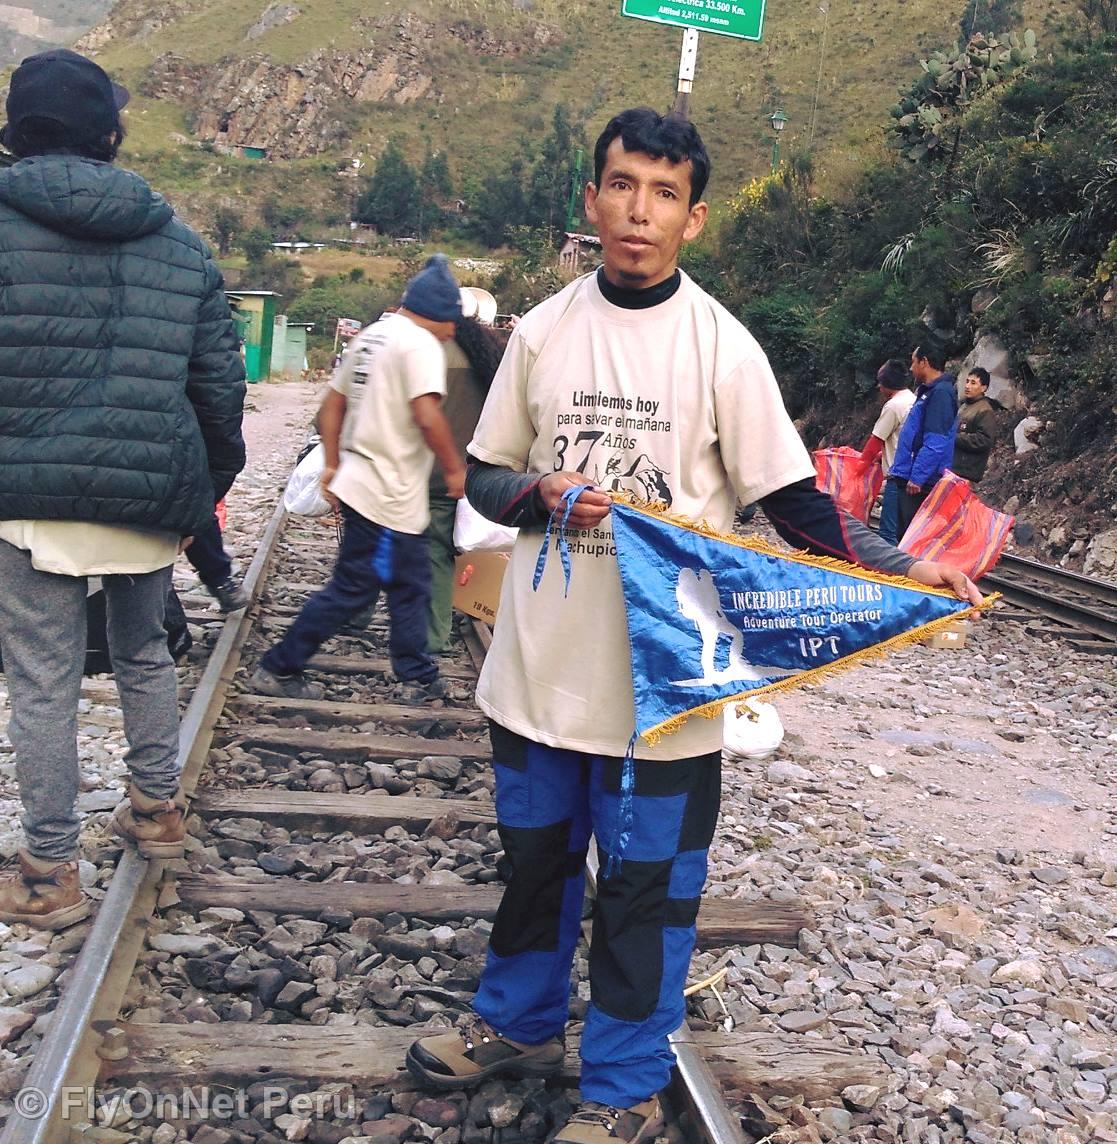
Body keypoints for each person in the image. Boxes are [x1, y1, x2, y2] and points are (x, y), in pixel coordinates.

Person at [405, 108, 980, 1144]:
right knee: (533, 869)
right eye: (621, 185)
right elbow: (485, 479)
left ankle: (619, 1088)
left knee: (644, 894)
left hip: (664, 697)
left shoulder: (722, 347)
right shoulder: (541, 331)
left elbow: (797, 503)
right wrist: (538, 488)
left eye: (662, 193)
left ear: (693, 217)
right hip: (535, 676)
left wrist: (900, 567)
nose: (638, 210)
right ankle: (517, 1023)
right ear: (591, 200)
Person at [0, 49, 246, 929]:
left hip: (23, 500)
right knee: (144, 652)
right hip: (148, 495)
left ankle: (50, 868)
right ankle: (155, 809)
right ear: (108, 135)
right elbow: (220, 384)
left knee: (43, 678)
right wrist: (201, 491)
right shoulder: (177, 241)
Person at [252, 255, 466, 703]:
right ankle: (279, 666)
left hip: (370, 486)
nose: (453, 332)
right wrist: (453, 468)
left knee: (410, 585)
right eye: (452, 323)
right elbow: (426, 415)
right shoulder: (421, 345)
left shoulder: (373, 336)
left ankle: (418, 676)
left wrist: (332, 463)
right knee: (354, 589)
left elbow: (331, 406)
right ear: (441, 314)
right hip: (385, 496)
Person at [426, 310, 504, 653]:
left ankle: (430, 638)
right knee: (438, 556)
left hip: (421, 473)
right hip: (462, 474)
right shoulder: (485, 356)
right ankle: (434, 634)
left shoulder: (427, 355)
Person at [889, 342, 958, 542]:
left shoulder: (941, 394)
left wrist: (918, 476)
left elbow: (936, 441)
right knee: (904, 537)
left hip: (921, 483)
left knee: (912, 541)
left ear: (924, 362)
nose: (911, 368)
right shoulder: (929, 392)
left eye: (913, 362)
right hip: (911, 475)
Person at [859, 359, 916, 544]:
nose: (879, 387)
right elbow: (899, 438)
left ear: (887, 385)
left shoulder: (893, 406)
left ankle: (887, 571)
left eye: (880, 383)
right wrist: (880, 456)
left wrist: (858, 468)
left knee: (888, 533)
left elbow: (876, 440)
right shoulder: (913, 400)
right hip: (912, 474)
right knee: (903, 531)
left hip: (896, 475)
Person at [951, 366, 999, 484]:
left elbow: (985, 440)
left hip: (967, 473)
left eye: (973, 383)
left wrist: (955, 437)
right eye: (967, 381)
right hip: (954, 469)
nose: (967, 386)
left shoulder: (985, 410)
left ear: (984, 388)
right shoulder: (964, 407)